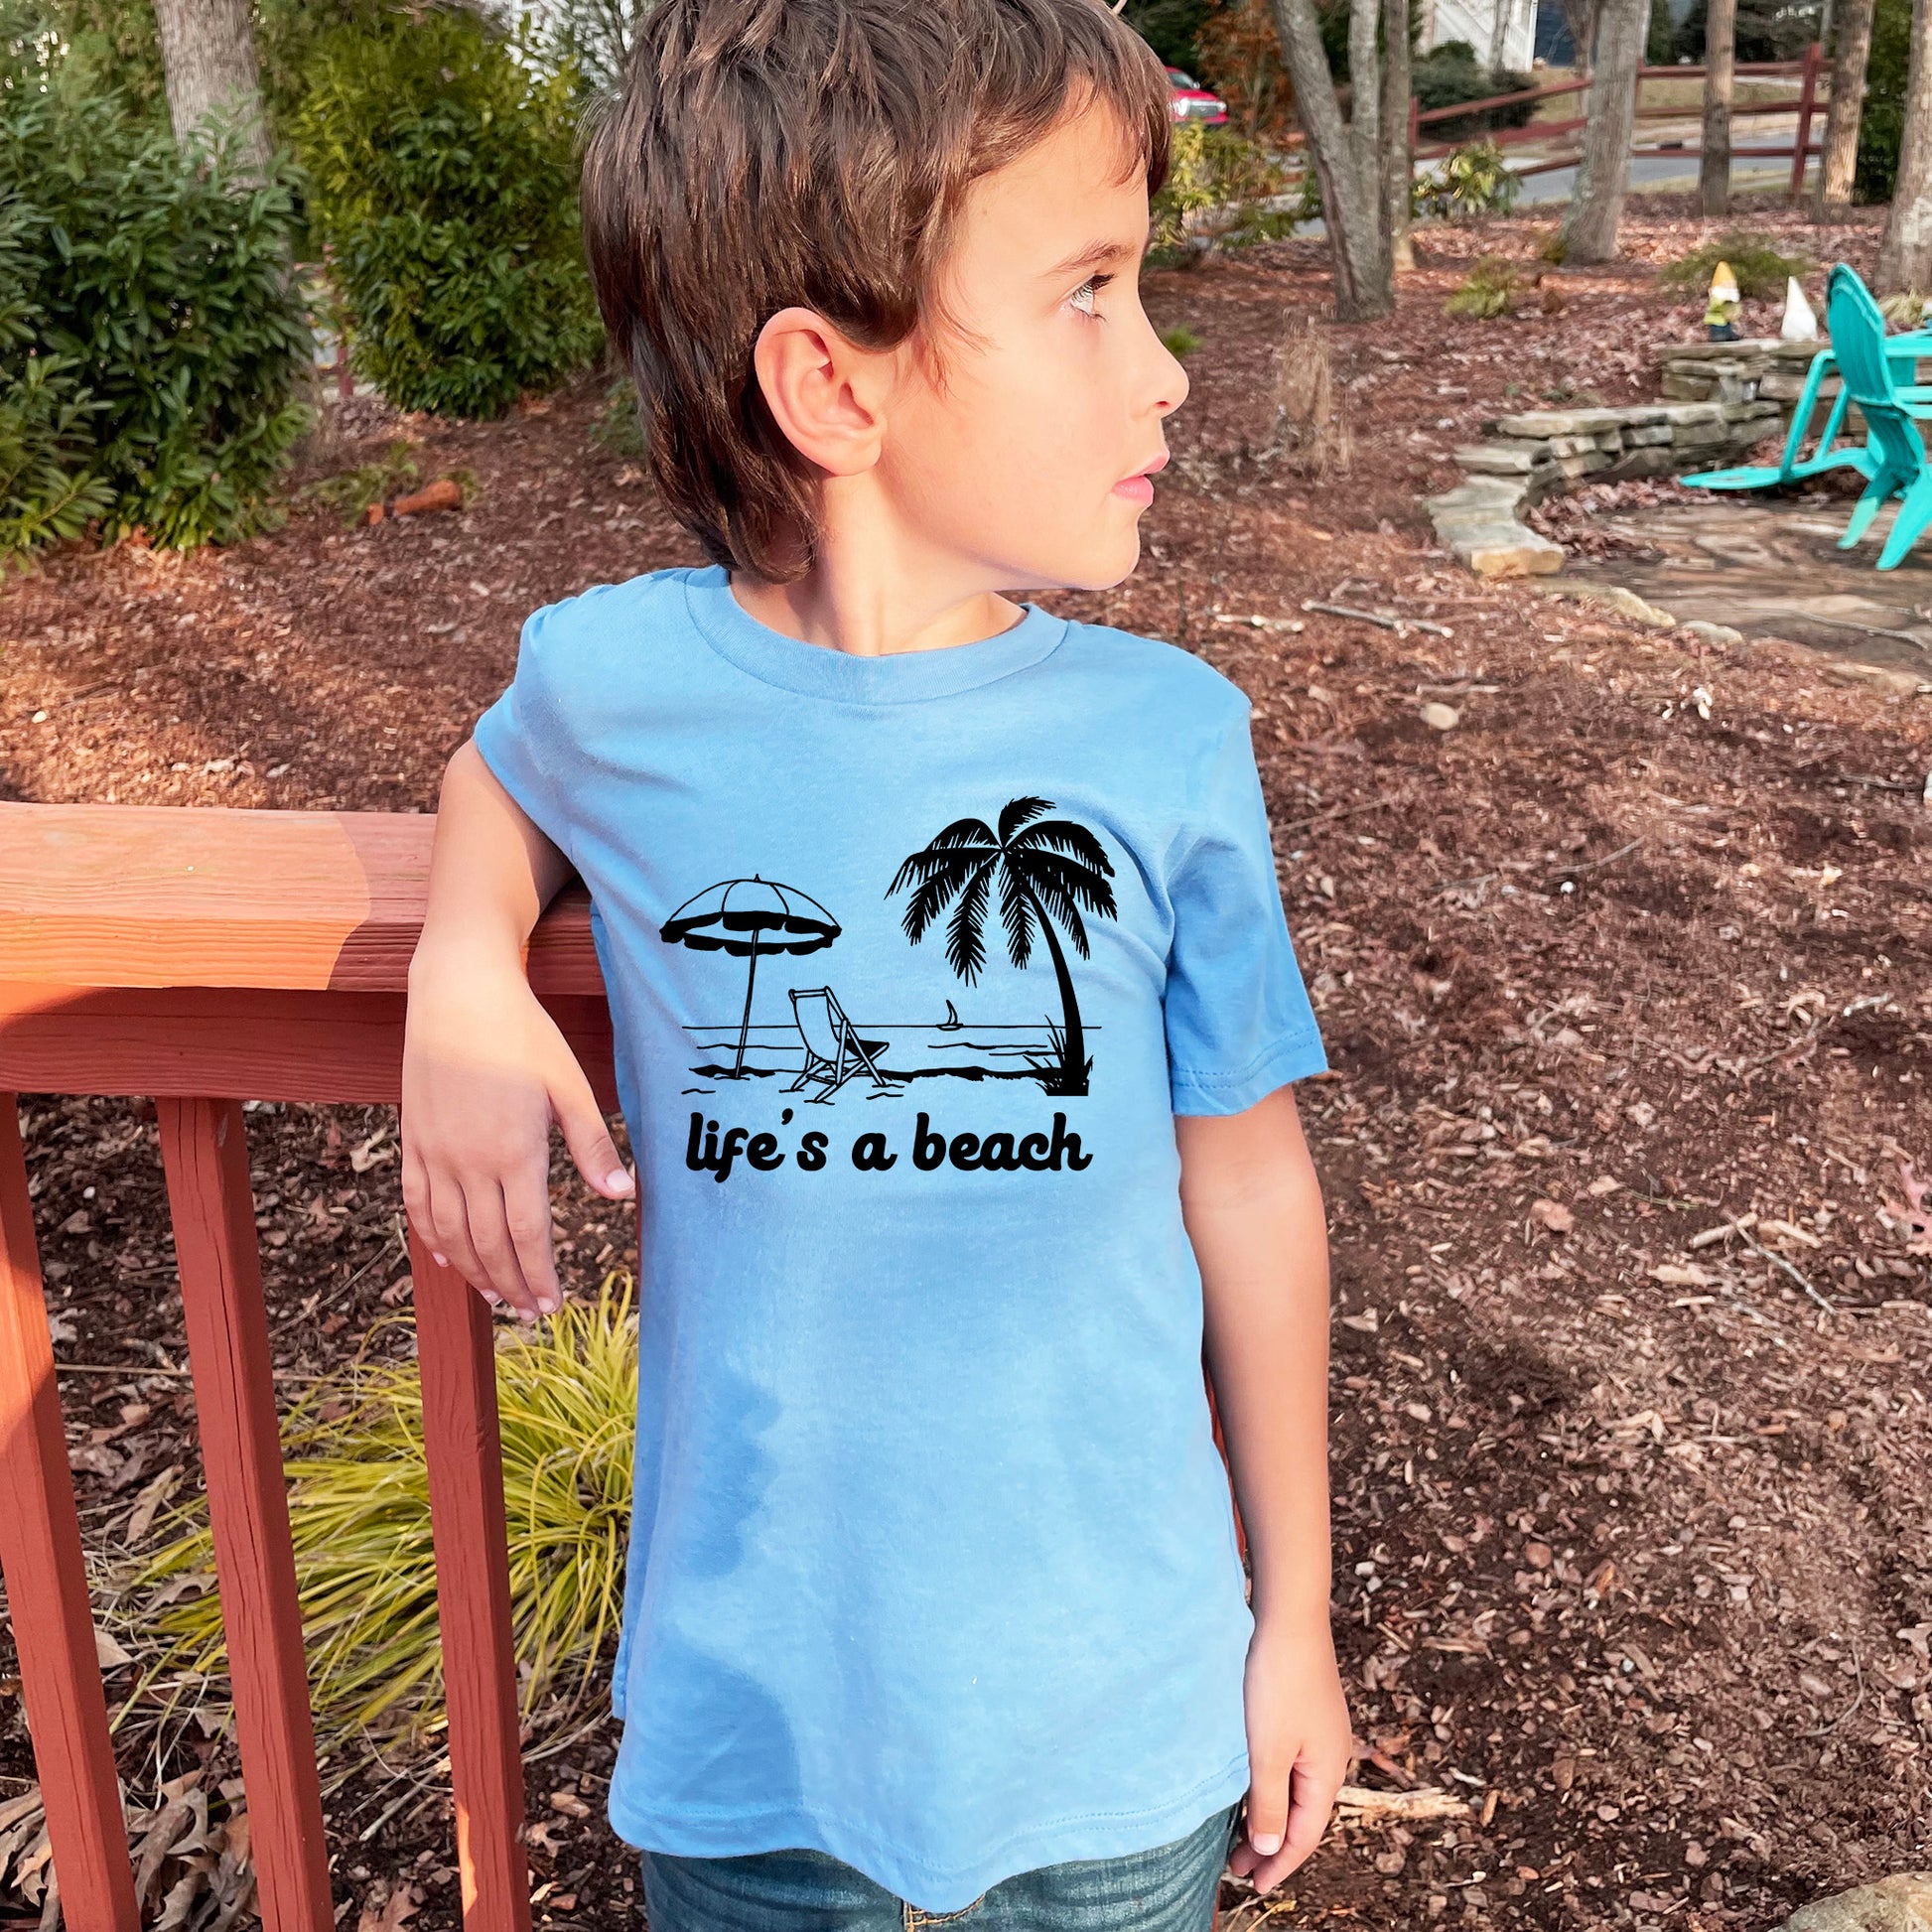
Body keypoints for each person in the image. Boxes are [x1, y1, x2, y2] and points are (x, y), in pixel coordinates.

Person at [400, 2, 1351, 1927]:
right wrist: (461, 972)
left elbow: (1247, 1181)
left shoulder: (1171, 740)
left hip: (1116, 1735)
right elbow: (495, 772)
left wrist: (1297, 1618)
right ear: (833, 386)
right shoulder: (626, 682)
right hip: (755, 1741)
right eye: (1090, 292)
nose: (1168, 371)